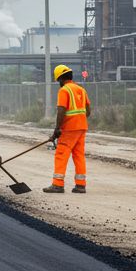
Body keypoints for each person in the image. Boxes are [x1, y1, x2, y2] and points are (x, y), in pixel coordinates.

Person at [49, 65, 91, 193]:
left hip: (69, 129)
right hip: (82, 127)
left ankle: (58, 184)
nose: (58, 83)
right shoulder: (81, 90)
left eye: (58, 80)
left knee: (61, 154)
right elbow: (88, 110)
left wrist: (57, 128)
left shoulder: (64, 90)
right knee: (79, 156)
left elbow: (61, 110)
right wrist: (79, 119)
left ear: (61, 78)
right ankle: (80, 185)